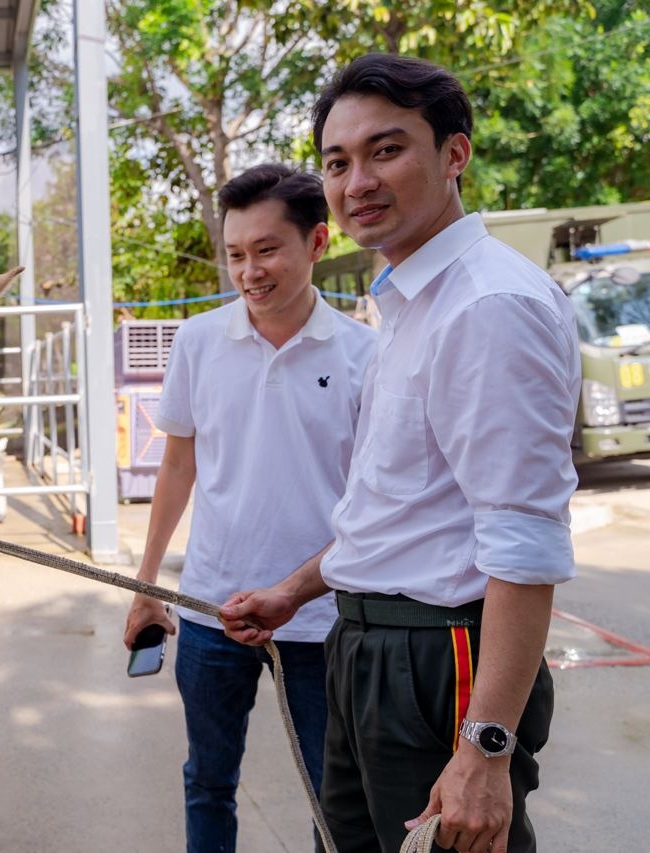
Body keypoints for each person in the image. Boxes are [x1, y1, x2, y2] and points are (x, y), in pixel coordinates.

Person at [220, 54, 581, 853]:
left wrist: (486, 745)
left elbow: (524, 542)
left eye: (386, 150)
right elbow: (398, 510)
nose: (358, 183)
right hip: (367, 649)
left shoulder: (488, 306)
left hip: (439, 658)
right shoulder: (412, 302)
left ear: (455, 154)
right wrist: (292, 592)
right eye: (337, 162)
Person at [124, 163, 377, 853]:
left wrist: (301, 591)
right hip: (213, 608)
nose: (249, 271)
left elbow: (374, 501)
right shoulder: (198, 341)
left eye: (267, 250)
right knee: (207, 781)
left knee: (336, 796)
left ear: (317, 241)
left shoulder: (366, 354)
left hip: (324, 619)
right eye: (236, 254)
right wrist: (149, 585)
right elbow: (178, 465)